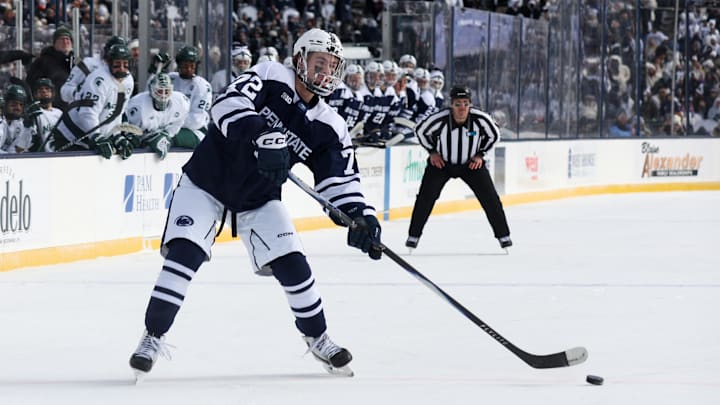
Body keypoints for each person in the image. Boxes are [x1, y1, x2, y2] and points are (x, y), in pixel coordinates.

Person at [129, 28, 382, 378]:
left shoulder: (329, 125)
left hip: (259, 198)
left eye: (332, 65)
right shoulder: (270, 75)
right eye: (318, 62)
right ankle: (153, 336)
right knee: (185, 255)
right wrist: (262, 135)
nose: (325, 71)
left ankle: (317, 336)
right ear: (299, 60)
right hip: (207, 181)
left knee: (294, 265)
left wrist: (360, 217)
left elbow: (339, 181)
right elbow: (227, 104)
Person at [406, 86, 511, 250]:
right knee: (425, 199)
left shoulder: (480, 119)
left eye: (465, 103)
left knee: (490, 199)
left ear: (470, 104)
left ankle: (503, 236)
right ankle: (413, 236)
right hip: (441, 164)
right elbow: (420, 131)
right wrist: (432, 152)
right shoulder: (440, 119)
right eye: (457, 104)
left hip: (471, 165)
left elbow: (494, 135)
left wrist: (480, 154)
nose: (462, 108)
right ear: (451, 105)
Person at [50, 44, 135, 158]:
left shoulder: (129, 81)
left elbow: (117, 112)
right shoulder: (98, 80)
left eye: (125, 65)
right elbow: (87, 113)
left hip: (90, 136)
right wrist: (96, 136)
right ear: (109, 63)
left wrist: (116, 135)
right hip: (71, 134)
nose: (122, 69)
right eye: (117, 65)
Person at [125, 72, 190, 159]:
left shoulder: (181, 102)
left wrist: (166, 134)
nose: (163, 96)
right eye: (160, 91)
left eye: (166, 91)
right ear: (152, 90)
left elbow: (177, 124)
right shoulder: (138, 107)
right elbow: (129, 132)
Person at [60, 35, 127, 104]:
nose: (118, 55)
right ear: (106, 50)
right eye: (114, 51)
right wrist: (78, 92)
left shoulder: (126, 74)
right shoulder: (88, 64)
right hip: (83, 110)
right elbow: (64, 92)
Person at [25, 25, 75, 110]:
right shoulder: (43, 61)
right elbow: (31, 84)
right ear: (55, 43)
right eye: (62, 39)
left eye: (68, 39)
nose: (65, 41)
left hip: (73, 109)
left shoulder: (76, 61)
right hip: (51, 109)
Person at [0, 85, 39, 153]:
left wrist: (27, 129)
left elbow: (18, 150)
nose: (18, 108)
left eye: (21, 105)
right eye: (13, 104)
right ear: (5, 104)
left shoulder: (21, 124)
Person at [29, 78, 62, 152]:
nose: (44, 91)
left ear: (52, 93)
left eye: (47, 89)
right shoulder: (34, 112)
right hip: (42, 156)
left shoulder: (59, 113)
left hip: (60, 154)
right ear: (35, 94)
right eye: (40, 89)